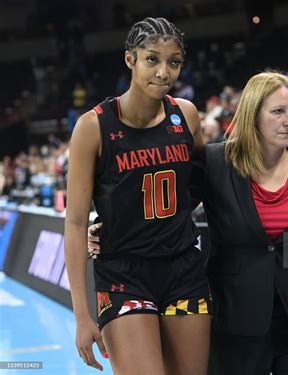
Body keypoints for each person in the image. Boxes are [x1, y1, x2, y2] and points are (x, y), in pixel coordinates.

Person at [90, 72, 288, 374]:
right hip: (237, 321)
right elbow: (167, 210)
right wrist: (108, 228)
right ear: (254, 114)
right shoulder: (216, 163)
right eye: (278, 111)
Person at [65, 17, 212, 375]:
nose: (164, 72)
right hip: (123, 276)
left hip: (183, 271)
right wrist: (82, 317)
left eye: (174, 62)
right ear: (130, 59)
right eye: (152, 59)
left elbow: (199, 184)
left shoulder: (186, 116)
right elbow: (74, 222)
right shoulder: (93, 126)